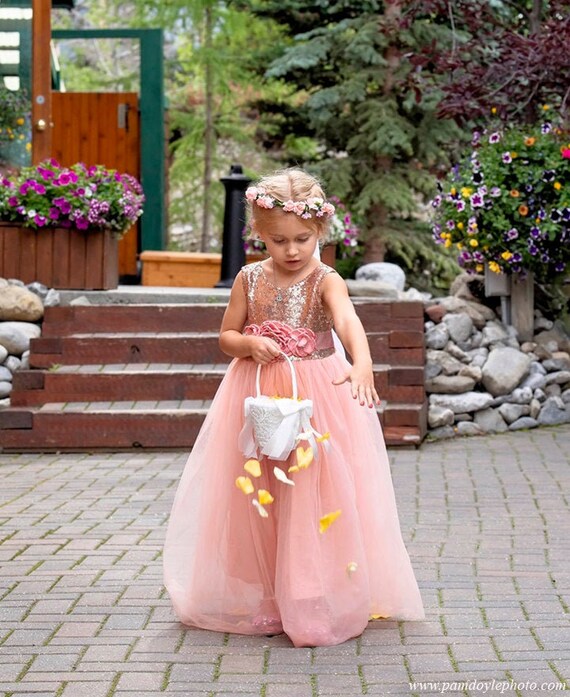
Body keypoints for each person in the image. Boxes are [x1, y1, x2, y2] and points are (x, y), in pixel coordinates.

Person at [163, 168, 424, 648]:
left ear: (319, 231)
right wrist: (247, 344)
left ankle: (310, 595)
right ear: (259, 234)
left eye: (301, 239)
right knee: (260, 491)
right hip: (258, 394)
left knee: (311, 491)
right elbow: (225, 336)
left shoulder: (326, 279)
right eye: (278, 240)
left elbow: (347, 323)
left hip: (315, 398)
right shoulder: (249, 279)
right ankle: (268, 595)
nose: (290, 250)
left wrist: (363, 363)